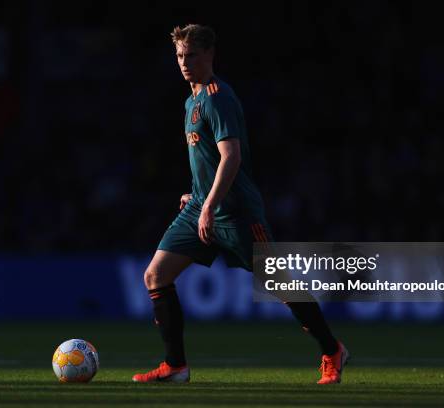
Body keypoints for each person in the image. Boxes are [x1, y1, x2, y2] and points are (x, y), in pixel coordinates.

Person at [132, 24, 348, 385]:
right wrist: (196, 195)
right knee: (156, 275)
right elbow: (207, 160)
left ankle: (332, 350)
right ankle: (175, 366)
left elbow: (230, 157)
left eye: (192, 55)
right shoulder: (191, 100)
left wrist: (209, 206)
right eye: (180, 56)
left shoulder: (219, 98)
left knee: (280, 284)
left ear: (210, 55)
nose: (184, 62)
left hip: (235, 213)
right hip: (201, 204)